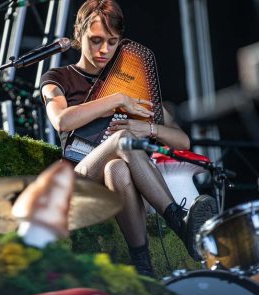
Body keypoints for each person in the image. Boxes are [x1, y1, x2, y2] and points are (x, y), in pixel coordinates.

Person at [39, 0, 206, 277]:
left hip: (113, 180)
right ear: (79, 36)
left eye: (112, 42)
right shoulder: (58, 78)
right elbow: (61, 120)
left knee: (116, 168)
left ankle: (143, 266)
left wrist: (149, 130)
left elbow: (182, 141)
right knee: (122, 139)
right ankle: (180, 221)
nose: (104, 50)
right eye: (95, 40)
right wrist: (117, 100)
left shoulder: (129, 80)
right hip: (77, 175)